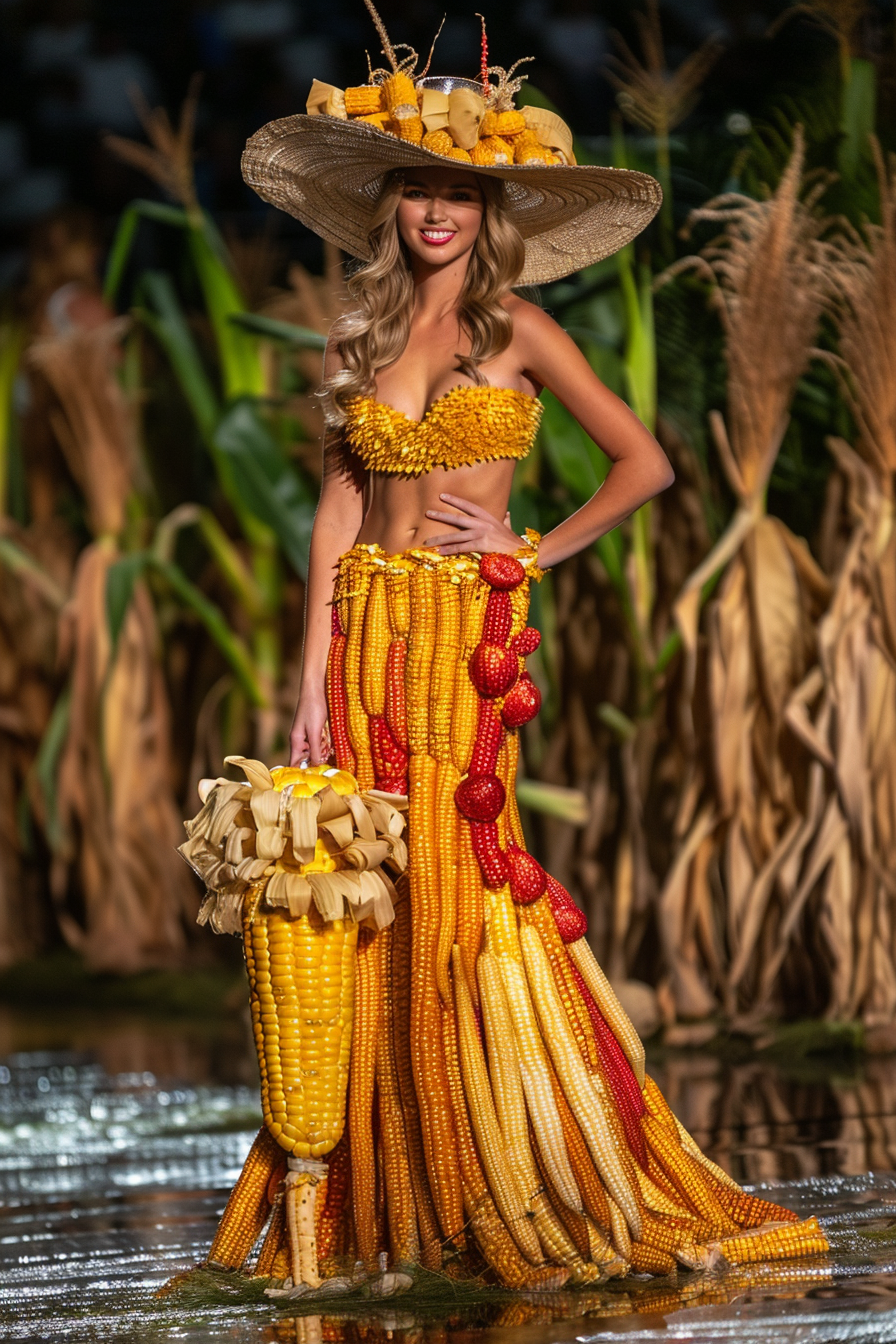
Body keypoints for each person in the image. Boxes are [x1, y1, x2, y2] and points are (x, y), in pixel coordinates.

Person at [195, 2, 828, 1294]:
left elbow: (645, 464)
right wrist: (307, 676)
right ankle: (384, 1194)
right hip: (366, 627)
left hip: (454, 634)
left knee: (460, 873)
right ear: (391, 208)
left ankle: (521, 1157)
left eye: (462, 193)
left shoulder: (518, 334)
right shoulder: (360, 338)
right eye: (419, 190)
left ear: (492, 212)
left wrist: (531, 550)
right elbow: (334, 511)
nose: (437, 212)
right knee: (370, 892)